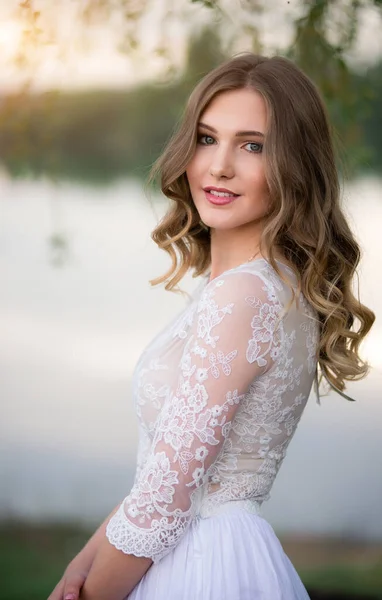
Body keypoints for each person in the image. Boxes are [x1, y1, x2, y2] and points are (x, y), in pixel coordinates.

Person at [48, 53, 375, 600]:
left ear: (295, 165)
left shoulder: (244, 295)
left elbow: (165, 500)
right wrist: (80, 563)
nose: (219, 166)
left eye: (253, 146)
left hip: (198, 565)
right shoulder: (270, 284)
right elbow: (159, 473)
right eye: (206, 138)